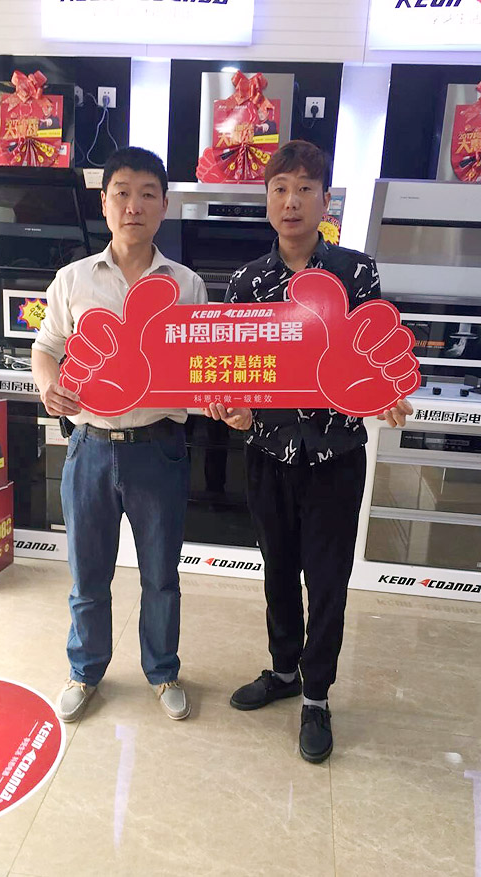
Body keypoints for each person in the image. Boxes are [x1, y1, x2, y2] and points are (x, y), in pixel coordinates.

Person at [206, 140, 415, 764]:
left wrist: (387, 388)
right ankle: (283, 670)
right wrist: (231, 406)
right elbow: (232, 371)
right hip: (268, 452)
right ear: (267, 200)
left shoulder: (356, 272)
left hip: (335, 455)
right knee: (276, 568)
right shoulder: (247, 282)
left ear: (326, 201)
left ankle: (317, 695)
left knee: (326, 580)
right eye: (280, 188)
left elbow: (374, 348)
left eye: (304, 188)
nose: (291, 200)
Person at [31, 147, 207, 724]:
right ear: (104, 203)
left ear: (164, 206)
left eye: (147, 194)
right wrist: (49, 385)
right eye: (122, 193)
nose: (134, 205)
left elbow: (202, 365)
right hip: (89, 447)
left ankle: (163, 670)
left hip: (159, 448)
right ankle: (85, 670)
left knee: (161, 575)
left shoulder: (187, 285)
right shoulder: (73, 280)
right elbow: (45, 347)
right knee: (88, 575)